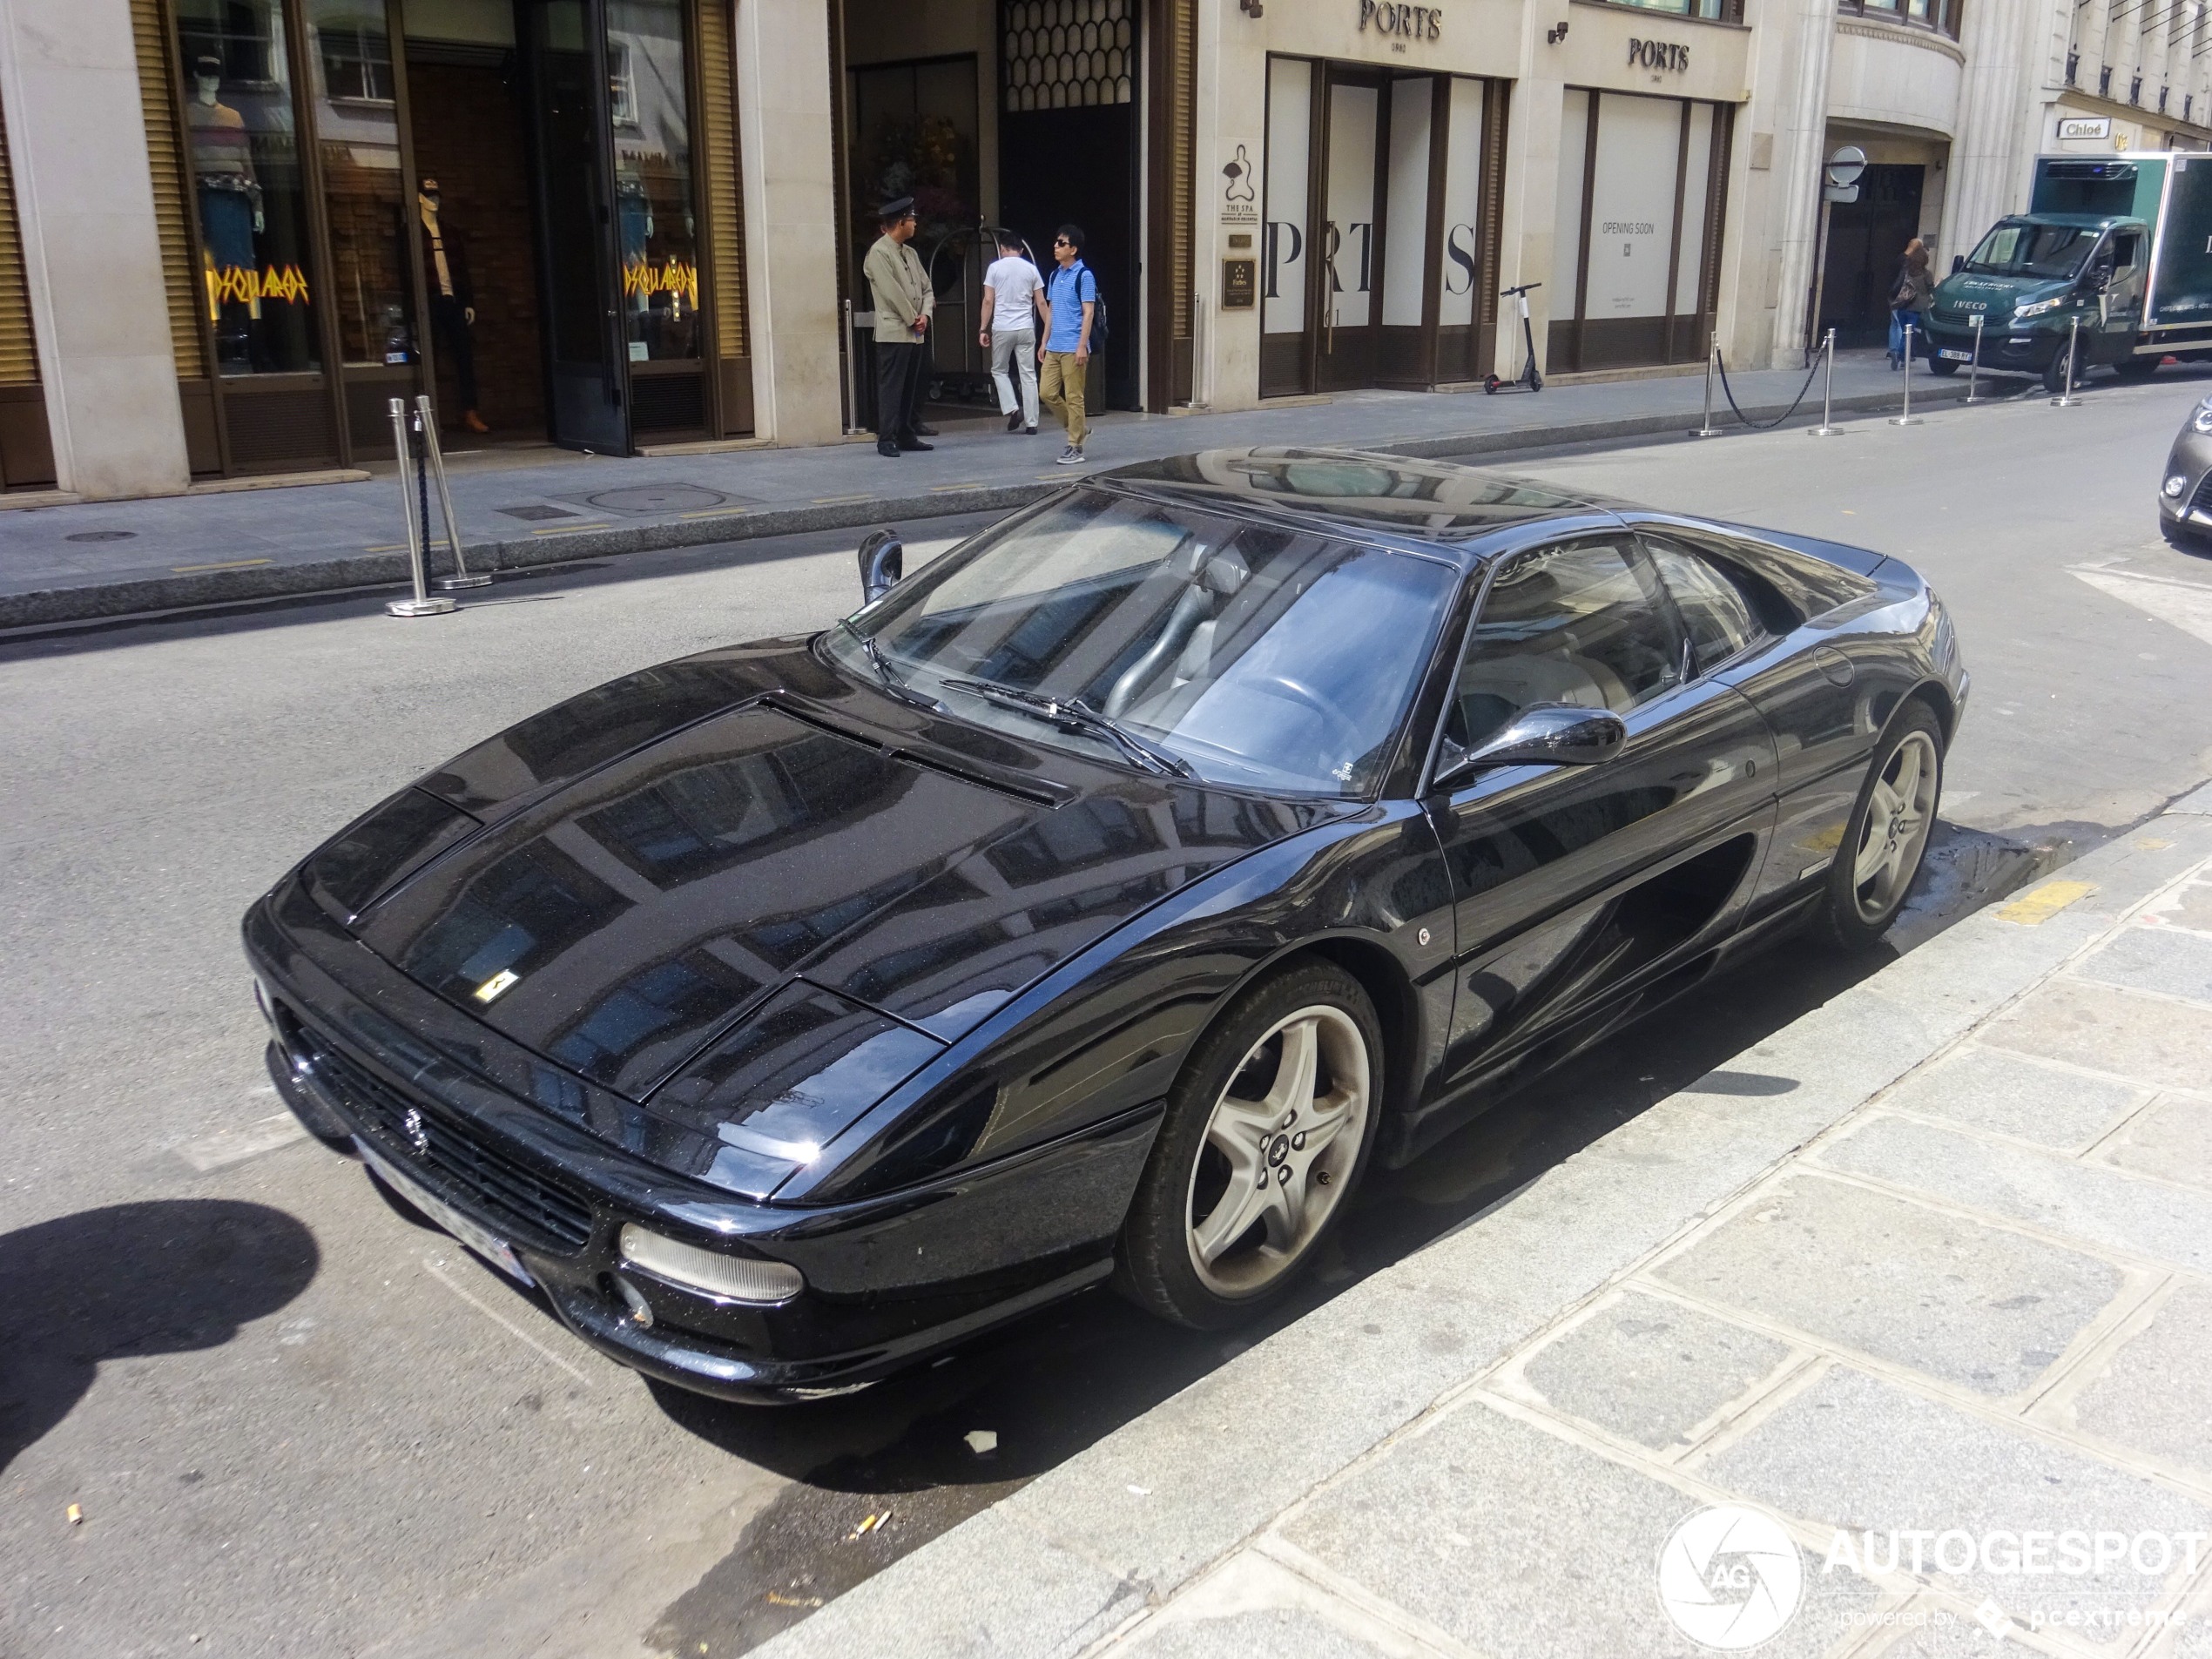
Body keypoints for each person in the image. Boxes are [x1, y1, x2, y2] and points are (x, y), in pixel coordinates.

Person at [863, 197, 934, 456]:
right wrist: (912, 318)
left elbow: (927, 288)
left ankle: (906, 433)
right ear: (901, 222)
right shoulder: (879, 253)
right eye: (912, 220)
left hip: (916, 332)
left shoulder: (911, 253)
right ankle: (887, 438)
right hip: (895, 330)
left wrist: (925, 315)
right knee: (892, 387)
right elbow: (891, 292)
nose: (915, 224)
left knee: (911, 385)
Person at [418, 179, 489, 434]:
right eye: (429, 197)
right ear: (419, 199)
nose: (434, 202)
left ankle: (470, 412)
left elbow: (462, 269)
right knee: (430, 359)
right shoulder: (413, 233)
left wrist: (468, 302)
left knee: (464, 356)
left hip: (453, 300)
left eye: (436, 197)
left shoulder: (449, 232)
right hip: (429, 302)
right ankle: (428, 418)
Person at [1038, 223, 1097, 466]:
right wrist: (1043, 341)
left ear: (1073, 249)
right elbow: (1051, 310)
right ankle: (1079, 428)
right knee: (1046, 392)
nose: (1056, 246)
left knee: (1074, 397)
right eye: (1056, 242)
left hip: (1074, 346)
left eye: (1061, 243)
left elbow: (1088, 312)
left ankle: (1075, 445)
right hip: (1054, 346)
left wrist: (1082, 345)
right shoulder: (1054, 274)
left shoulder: (1084, 276)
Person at [979, 230, 1043, 435]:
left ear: (1002, 249)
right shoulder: (1031, 269)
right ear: (1021, 250)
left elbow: (988, 300)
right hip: (1025, 327)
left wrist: (982, 328)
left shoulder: (994, 268)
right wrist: (1048, 328)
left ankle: (1012, 408)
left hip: (1003, 327)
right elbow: (1040, 301)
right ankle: (1032, 423)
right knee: (1028, 375)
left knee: (999, 370)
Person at [1888, 238, 1934, 371]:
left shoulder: (1905, 271)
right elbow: (1931, 289)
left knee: (1903, 331)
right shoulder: (1926, 274)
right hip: (1917, 308)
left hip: (1902, 305)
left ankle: (1900, 355)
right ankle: (1901, 355)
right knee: (1909, 333)